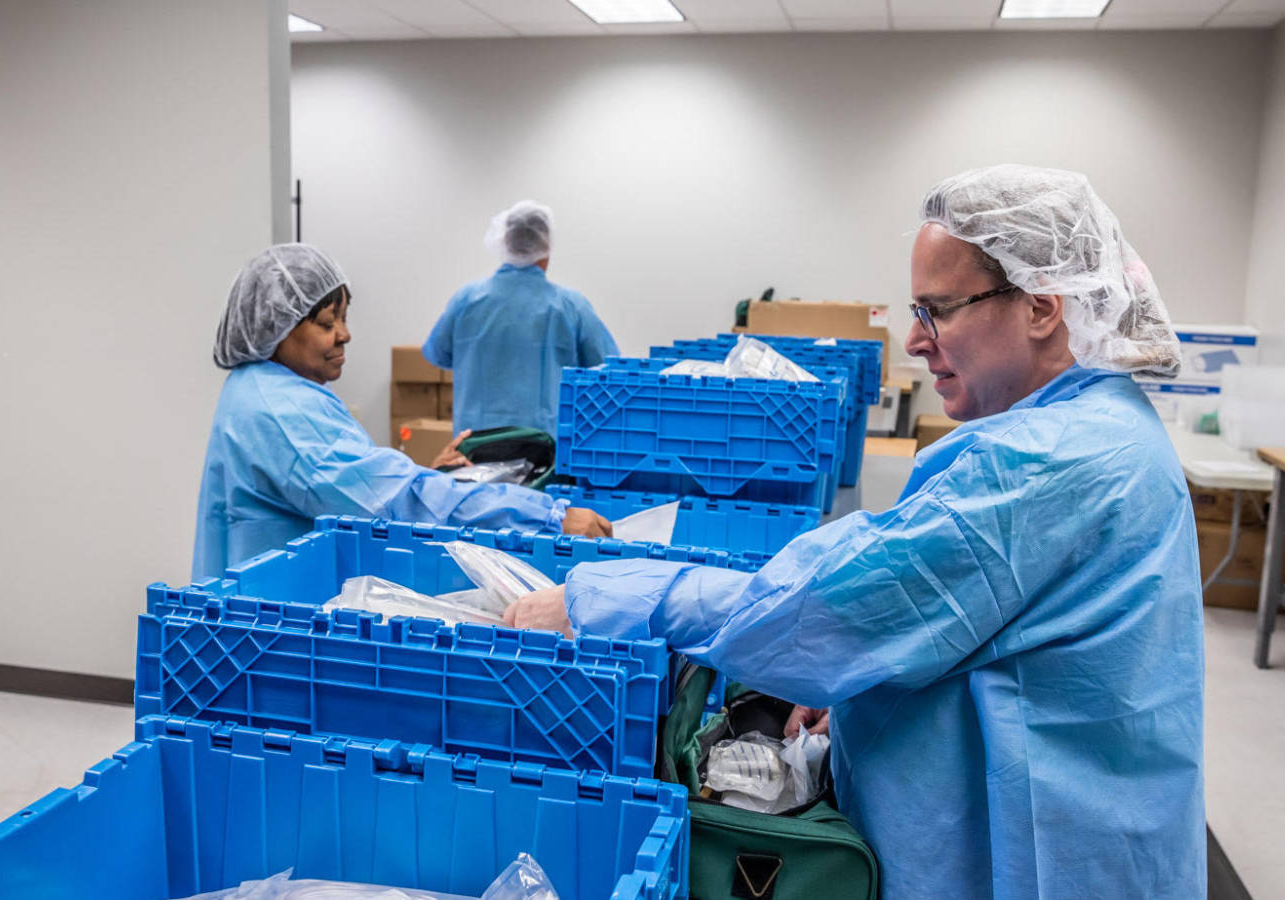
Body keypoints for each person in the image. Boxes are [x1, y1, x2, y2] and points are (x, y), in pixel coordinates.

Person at [505, 166, 1205, 898]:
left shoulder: (1048, 465)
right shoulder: (1102, 427)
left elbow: (831, 606)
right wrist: (860, 691)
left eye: (939, 310)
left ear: (1040, 305)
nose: (915, 339)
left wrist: (599, 597)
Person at [193, 243, 610, 579]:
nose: (345, 334)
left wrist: (422, 474)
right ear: (277, 327)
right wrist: (548, 519)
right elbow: (394, 499)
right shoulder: (282, 410)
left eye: (344, 318)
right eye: (326, 323)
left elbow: (347, 485)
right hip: (273, 625)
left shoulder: (261, 389)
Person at [423, 201, 618, 436]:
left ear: (505, 242)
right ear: (546, 248)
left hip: (472, 449)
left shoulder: (466, 299)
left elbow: (436, 353)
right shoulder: (570, 306)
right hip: (544, 450)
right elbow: (609, 367)